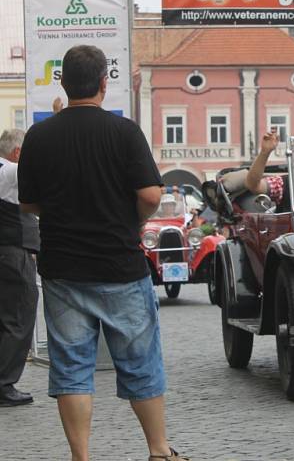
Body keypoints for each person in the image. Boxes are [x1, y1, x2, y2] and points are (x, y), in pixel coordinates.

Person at [16, 45, 189, 460]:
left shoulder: (39, 136)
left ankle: (81, 456)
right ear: (103, 84)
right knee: (140, 361)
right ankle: (159, 451)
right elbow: (150, 194)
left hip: (62, 268)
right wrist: (133, 219)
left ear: (63, 82)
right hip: (119, 266)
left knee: (73, 366)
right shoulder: (123, 132)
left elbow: (28, 204)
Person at [0, 129, 40, 407]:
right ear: (17, 153)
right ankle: (4, 384)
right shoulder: (11, 171)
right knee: (19, 317)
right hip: (14, 251)